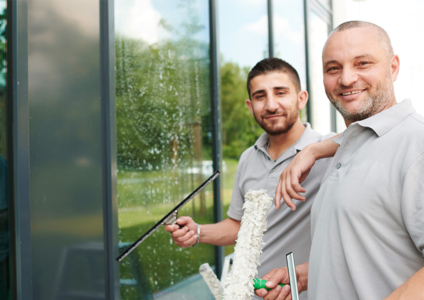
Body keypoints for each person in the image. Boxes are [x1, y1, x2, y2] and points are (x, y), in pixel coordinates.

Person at [263, 21, 424, 300]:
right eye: (333, 68)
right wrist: (305, 274)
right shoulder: (349, 144)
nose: (347, 79)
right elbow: (368, 249)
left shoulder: (416, 146)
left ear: (393, 67)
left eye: (362, 63)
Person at [165, 58, 334, 300]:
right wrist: (198, 231)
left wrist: (312, 151)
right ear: (250, 105)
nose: (271, 104)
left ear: (301, 98)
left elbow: (367, 128)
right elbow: (238, 226)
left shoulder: (328, 151)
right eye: (260, 96)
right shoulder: (247, 158)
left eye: (281, 92)